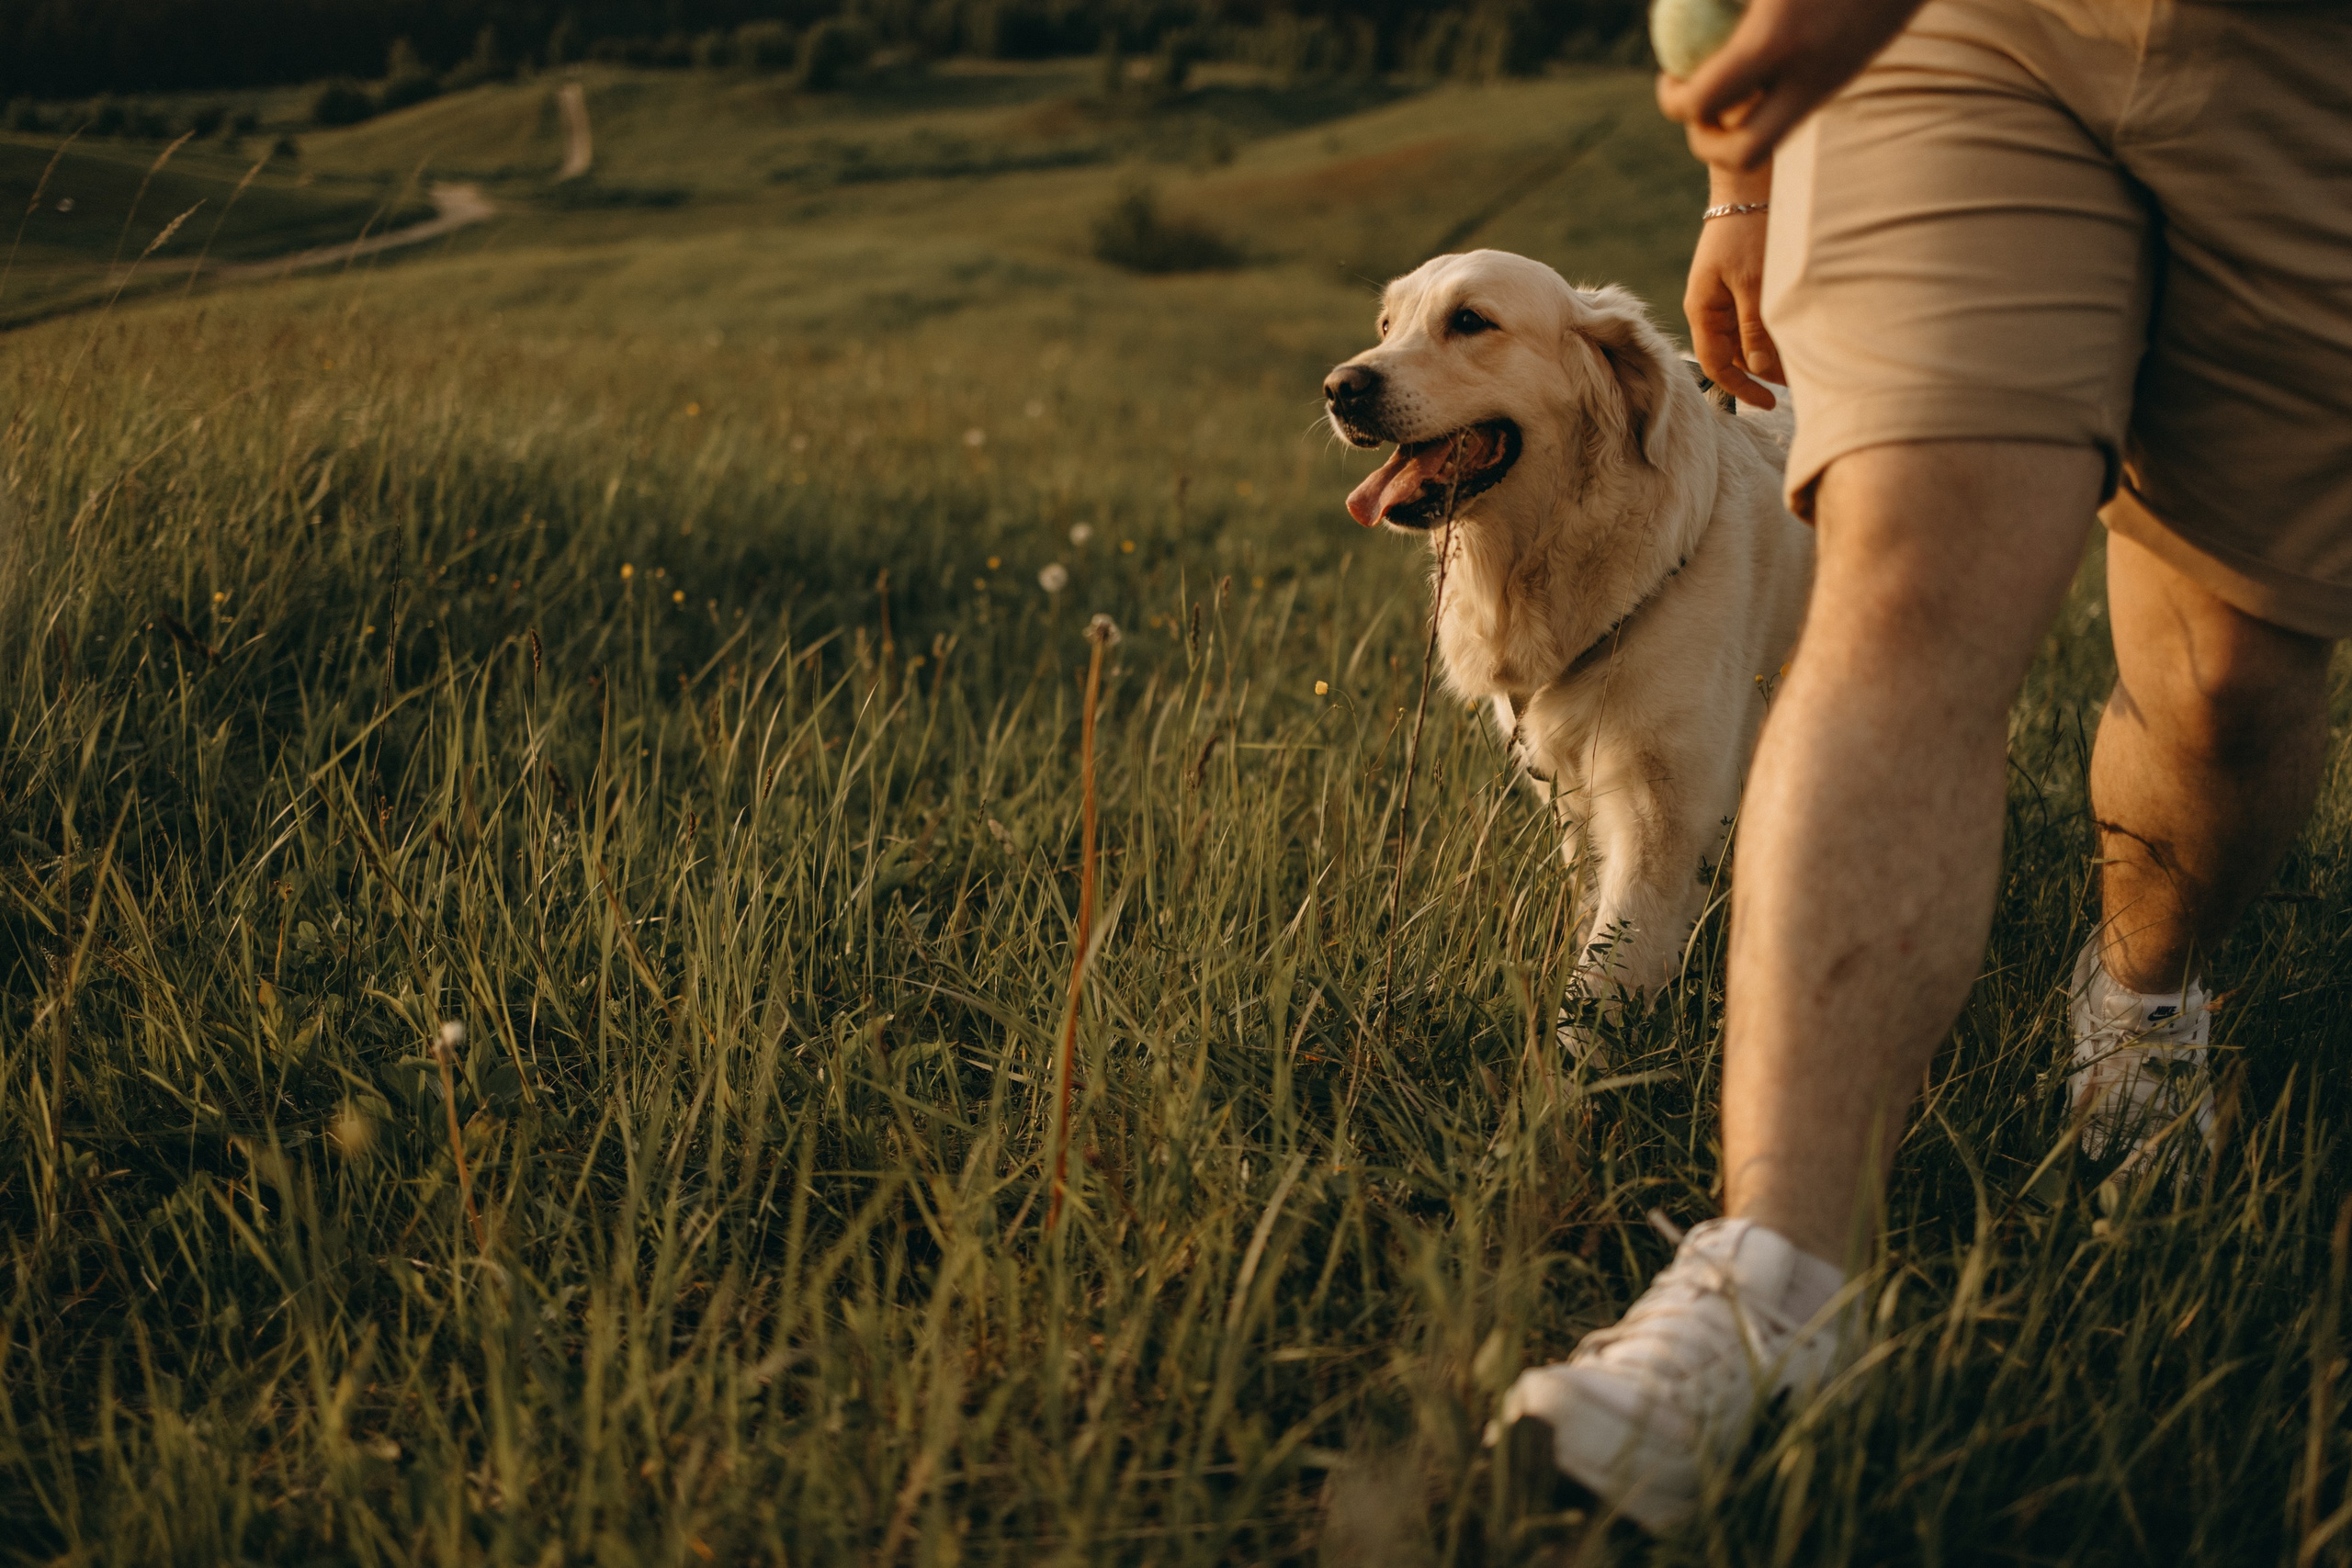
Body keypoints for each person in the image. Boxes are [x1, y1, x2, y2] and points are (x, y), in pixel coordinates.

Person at [1497, 0, 2352, 1531]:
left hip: (2302, 72)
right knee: (1900, 590)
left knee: (2230, 679)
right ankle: (1773, 1280)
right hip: (1960, 35)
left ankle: (2143, 1001)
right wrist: (1744, 180)